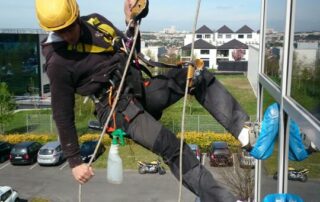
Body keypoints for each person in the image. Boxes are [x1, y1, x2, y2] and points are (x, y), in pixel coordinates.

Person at [35, 0, 255, 201]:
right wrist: (74, 162)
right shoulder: (58, 63)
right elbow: (62, 115)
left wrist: (132, 19)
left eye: (69, 28)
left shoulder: (96, 22)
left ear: (76, 15)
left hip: (136, 88)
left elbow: (131, 50)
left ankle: (245, 131)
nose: (68, 35)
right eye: (60, 32)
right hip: (116, 110)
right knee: (173, 147)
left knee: (196, 76)